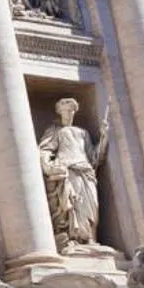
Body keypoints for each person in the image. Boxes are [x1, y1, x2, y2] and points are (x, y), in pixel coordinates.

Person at [39, 96, 110, 250]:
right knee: (72, 204)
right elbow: (44, 150)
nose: (69, 113)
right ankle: (72, 238)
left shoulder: (82, 132)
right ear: (59, 112)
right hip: (68, 169)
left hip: (85, 170)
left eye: (71, 110)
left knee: (91, 207)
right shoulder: (56, 131)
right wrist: (50, 166)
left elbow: (94, 157)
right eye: (66, 111)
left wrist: (104, 137)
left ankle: (90, 238)